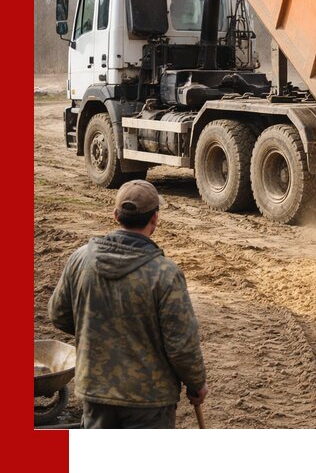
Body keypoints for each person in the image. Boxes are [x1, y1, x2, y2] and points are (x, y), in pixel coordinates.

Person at [48, 179, 208, 429]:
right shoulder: (165, 273)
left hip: (96, 391)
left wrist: (98, 329)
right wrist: (197, 383)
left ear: (115, 215)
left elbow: (59, 314)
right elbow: (181, 345)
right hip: (150, 401)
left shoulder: (80, 260)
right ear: (155, 219)